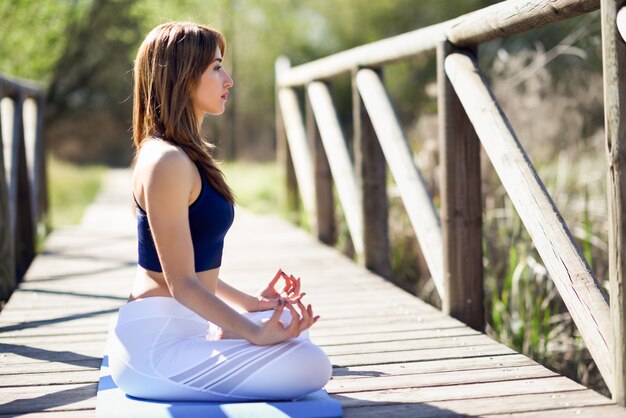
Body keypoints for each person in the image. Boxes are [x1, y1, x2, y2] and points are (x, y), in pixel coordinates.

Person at [107, 21, 332, 402]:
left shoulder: (182, 155)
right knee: (311, 365)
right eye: (215, 67)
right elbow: (181, 283)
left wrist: (251, 306)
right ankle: (227, 334)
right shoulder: (165, 161)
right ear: (182, 76)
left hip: (188, 325)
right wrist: (254, 331)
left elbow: (186, 267)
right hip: (155, 347)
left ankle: (224, 332)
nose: (228, 79)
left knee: (292, 326)